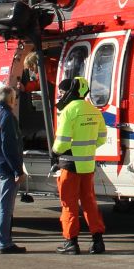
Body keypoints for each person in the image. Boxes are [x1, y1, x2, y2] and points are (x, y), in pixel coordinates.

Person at [52, 76, 108, 254]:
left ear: (68, 92)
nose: (60, 95)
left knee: (69, 204)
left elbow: (62, 142)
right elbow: (102, 138)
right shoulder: (94, 110)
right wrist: (87, 149)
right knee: (90, 202)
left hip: (69, 165)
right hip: (88, 165)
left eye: (61, 92)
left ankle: (71, 242)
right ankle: (97, 241)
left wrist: (54, 151)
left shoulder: (68, 111)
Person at [0, 85, 27, 253]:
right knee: (5, 207)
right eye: (14, 98)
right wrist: (17, 170)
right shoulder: (7, 116)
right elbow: (9, 145)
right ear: (10, 99)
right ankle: (4, 242)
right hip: (5, 169)